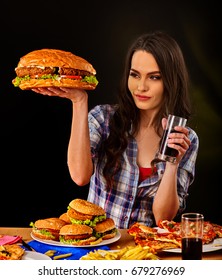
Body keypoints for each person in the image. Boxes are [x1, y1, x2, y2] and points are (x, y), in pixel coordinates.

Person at [32, 30, 199, 229]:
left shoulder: (184, 138)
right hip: (97, 248)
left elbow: (163, 218)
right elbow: (79, 176)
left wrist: (172, 163)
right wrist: (79, 100)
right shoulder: (103, 118)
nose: (141, 87)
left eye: (154, 77)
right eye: (135, 75)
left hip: (144, 252)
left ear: (171, 81)